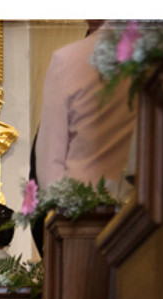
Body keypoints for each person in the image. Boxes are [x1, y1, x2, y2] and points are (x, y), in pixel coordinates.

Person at [34, 21, 134, 200]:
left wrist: (59, 209)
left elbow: (50, 166)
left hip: (83, 210)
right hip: (143, 206)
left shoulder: (68, 60)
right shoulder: (158, 52)